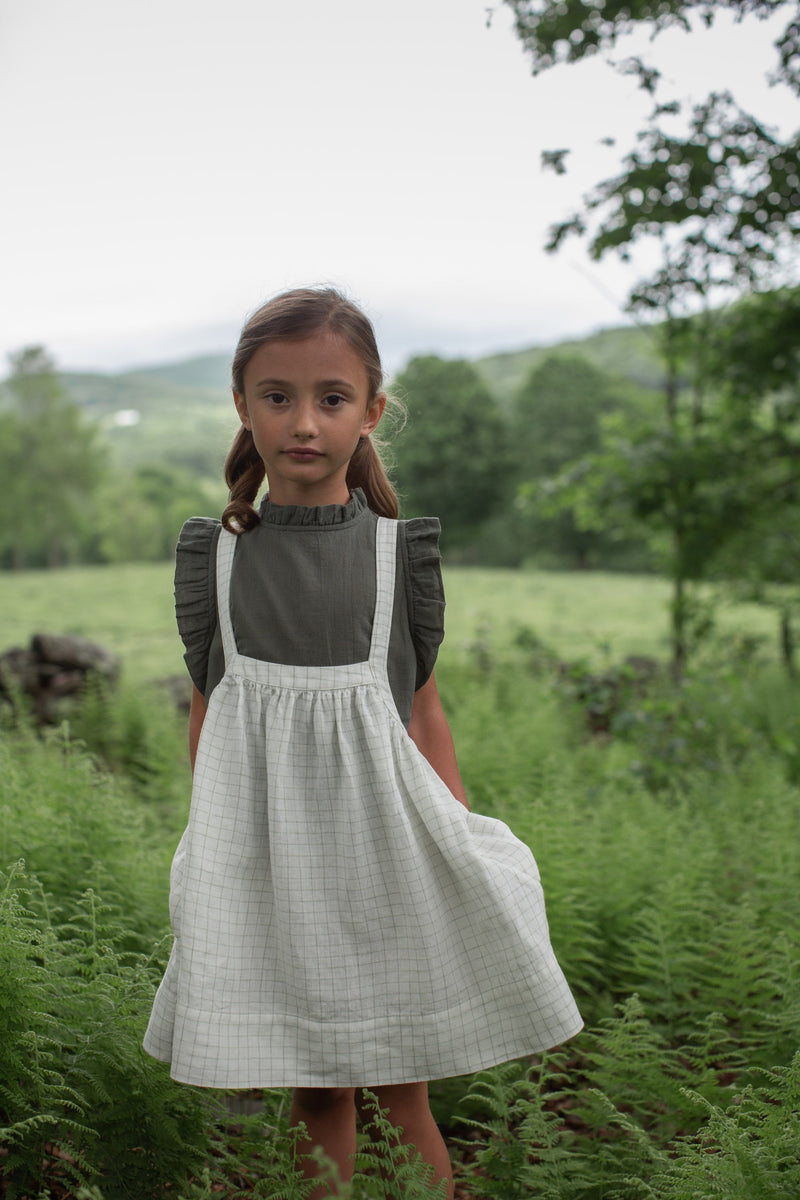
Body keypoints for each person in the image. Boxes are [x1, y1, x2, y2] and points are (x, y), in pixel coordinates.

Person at [144, 286, 582, 1197]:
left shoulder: (396, 557)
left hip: (391, 861)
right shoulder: (216, 561)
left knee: (402, 1089)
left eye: (332, 399)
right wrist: (211, 857)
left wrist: (457, 839)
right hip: (280, 871)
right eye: (277, 396)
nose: (304, 422)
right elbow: (209, 718)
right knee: (320, 1094)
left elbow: (423, 715)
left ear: (370, 411)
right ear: (242, 405)